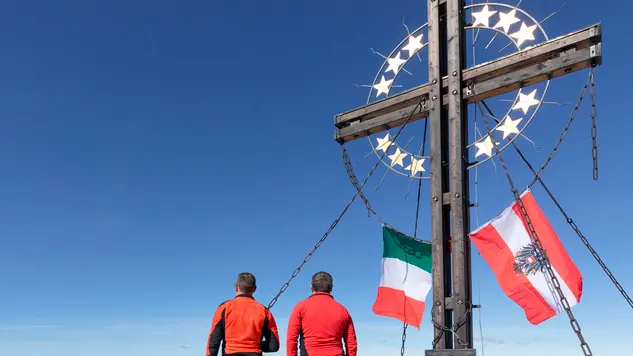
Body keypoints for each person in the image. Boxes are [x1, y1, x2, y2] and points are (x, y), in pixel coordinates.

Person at [206, 272, 280, 356]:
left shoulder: (224, 308)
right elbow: (274, 345)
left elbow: (213, 341)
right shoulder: (265, 312)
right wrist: (256, 345)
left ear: (237, 287)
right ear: (255, 289)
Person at [286, 271, 357, 356]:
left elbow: (291, 339)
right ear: (331, 288)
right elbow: (351, 342)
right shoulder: (343, 310)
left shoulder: (300, 307)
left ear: (311, 287)